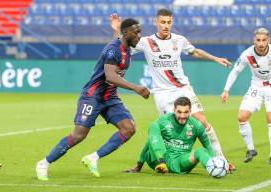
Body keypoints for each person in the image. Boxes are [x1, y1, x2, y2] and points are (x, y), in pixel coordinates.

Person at [110, 9, 235, 171]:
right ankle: (143, 163)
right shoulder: (146, 42)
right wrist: (116, 30)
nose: (166, 25)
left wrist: (215, 58)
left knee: (203, 122)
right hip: (162, 94)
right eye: (163, 22)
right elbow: (120, 47)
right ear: (156, 22)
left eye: (169, 22)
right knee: (163, 130)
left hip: (183, 88)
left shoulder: (179, 40)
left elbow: (195, 51)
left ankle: (221, 161)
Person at [36, 18, 150, 180]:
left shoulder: (126, 46)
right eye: (136, 32)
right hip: (93, 96)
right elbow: (110, 76)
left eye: (140, 31)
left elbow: (119, 41)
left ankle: (93, 158)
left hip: (110, 97)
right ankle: (44, 163)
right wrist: (136, 88)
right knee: (79, 135)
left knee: (129, 128)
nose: (140, 35)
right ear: (126, 33)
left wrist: (115, 29)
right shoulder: (113, 50)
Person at [126, 96, 217, 176]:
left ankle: (214, 169)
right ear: (174, 111)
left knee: (201, 151)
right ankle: (162, 163)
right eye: (179, 112)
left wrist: (217, 163)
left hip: (181, 162)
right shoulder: (164, 120)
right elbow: (150, 141)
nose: (182, 115)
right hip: (159, 160)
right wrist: (139, 165)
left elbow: (208, 146)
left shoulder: (196, 126)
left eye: (186, 112)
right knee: (153, 125)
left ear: (190, 111)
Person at [221, 27, 271, 164]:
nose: (261, 43)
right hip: (256, 86)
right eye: (258, 40)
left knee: (270, 118)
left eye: (264, 40)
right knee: (242, 117)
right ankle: (251, 149)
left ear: (268, 40)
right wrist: (226, 90)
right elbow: (235, 71)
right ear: (254, 40)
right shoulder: (247, 54)